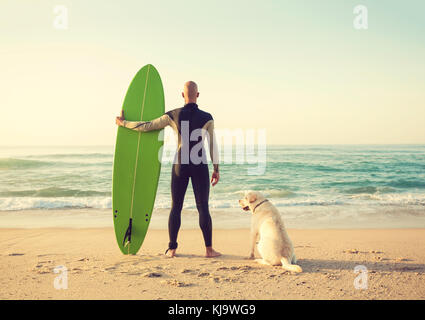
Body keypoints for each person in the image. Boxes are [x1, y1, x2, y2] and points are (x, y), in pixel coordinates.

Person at [116, 81, 221, 258]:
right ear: (198, 95)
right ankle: (209, 250)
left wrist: (124, 123)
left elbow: (148, 126)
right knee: (203, 207)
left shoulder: (173, 115)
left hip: (180, 164)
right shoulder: (207, 117)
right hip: (199, 164)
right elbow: (213, 146)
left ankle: (172, 249)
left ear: (182, 95)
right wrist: (216, 169)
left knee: (176, 207)